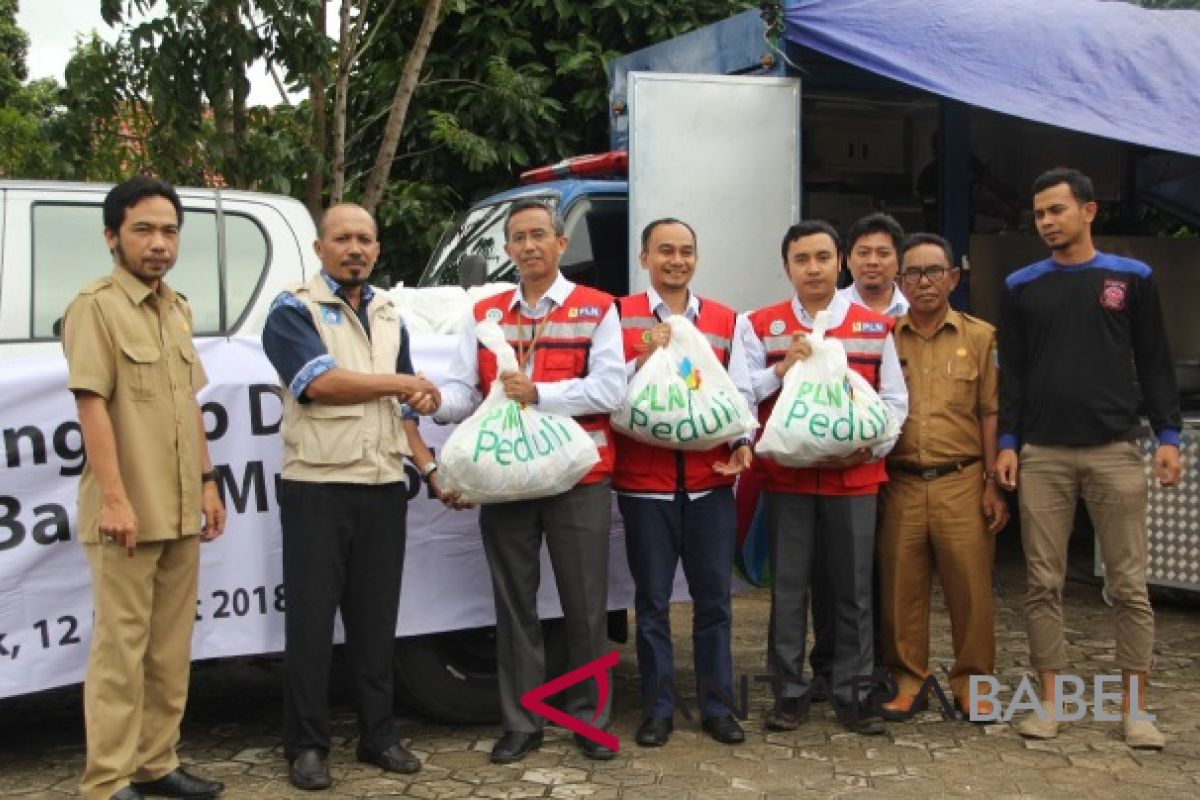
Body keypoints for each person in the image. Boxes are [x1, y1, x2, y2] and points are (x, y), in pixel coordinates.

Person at [427, 199, 626, 763]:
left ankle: (589, 718)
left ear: (561, 244)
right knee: (513, 603)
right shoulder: (485, 313)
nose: (529, 245)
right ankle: (523, 722)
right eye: (519, 238)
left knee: (585, 604)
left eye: (540, 234)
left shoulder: (597, 308)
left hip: (579, 475)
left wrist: (542, 394)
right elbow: (465, 391)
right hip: (506, 479)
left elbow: (611, 390)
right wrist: (436, 402)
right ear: (508, 249)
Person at [996, 167, 1181, 749]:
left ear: (1088, 211)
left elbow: (1155, 362)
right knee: (1042, 583)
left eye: (1057, 210)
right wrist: (1008, 442)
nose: (1047, 222)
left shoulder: (1132, 278)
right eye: (1040, 213)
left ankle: (1135, 711)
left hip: (1115, 451)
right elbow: (1015, 375)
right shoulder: (1022, 284)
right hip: (1043, 454)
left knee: (1129, 585)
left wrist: (1169, 436)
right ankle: (1048, 703)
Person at [262, 203, 442, 790]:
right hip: (317, 484)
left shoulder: (390, 311)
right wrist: (405, 384)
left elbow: (405, 406)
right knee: (311, 627)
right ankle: (307, 747)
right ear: (320, 249)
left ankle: (378, 736)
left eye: (365, 239)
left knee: (375, 623)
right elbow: (318, 384)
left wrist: (430, 464)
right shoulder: (293, 308)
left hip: (382, 485)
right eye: (342, 238)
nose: (355, 248)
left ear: (377, 249)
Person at [63, 176, 227, 800]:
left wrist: (209, 483)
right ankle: (105, 783)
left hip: (183, 505)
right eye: (144, 229)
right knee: (119, 653)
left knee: (169, 650)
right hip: (127, 511)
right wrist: (114, 499)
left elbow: (187, 403)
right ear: (113, 237)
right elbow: (92, 407)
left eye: (169, 230)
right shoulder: (95, 305)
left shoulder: (176, 306)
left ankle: (156, 764)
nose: (159, 243)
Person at [742, 221, 908, 735]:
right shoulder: (759, 325)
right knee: (788, 588)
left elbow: (895, 403)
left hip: (855, 480)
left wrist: (868, 447)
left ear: (840, 262)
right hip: (787, 481)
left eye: (822, 258)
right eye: (801, 259)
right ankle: (788, 694)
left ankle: (853, 693)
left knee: (854, 590)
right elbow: (740, 396)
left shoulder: (873, 326)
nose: (812, 269)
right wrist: (780, 370)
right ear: (786, 267)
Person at [613, 219, 755, 748]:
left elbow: (739, 396)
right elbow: (610, 391)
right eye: (665, 251)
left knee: (714, 602)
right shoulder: (619, 315)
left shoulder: (724, 319)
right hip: (644, 488)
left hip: (710, 486)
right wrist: (644, 356)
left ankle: (718, 707)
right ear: (645, 257)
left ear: (696, 258)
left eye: (687, 251)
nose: (677, 260)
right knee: (650, 604)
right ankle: (658, 709)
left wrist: (744, 441)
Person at [876, 233, 1008, 723]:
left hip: (962, 480)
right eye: (913, 273)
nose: (924, 282)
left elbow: (991, 411)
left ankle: (973, 684)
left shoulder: (980, 336)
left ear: (954, 277)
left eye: (935, 271)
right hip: (902, 481)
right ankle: (908, 681)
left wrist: (993, 483)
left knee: (970, 589)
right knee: (900, 589)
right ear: (900, 282)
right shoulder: (885, 337)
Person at [837, 212, 909, 318]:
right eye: (863, 253)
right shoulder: (829, 307)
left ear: (899, 261)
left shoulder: (914, 310)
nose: (872, 261)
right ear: (848, 260)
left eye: (883, 253)